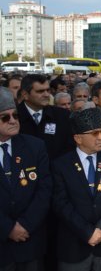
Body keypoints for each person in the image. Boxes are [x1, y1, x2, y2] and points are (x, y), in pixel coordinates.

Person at [51, 108, 101, 271]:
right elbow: (61, 203)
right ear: (78, 138)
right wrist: (87, 232)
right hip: (73, 245)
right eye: (94, 133)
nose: (100, 137)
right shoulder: (61, 165)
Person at [0, 87, 52, 271]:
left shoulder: (35, 146)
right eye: (5, 117)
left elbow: (44, 190)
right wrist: (8, 228)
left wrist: (25, 225)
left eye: (15, 115)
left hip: (30, 241)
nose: (13, 121)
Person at [17, 74, 74, 160]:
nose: (46, 94)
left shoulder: (63, 115)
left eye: (48, 90)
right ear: (25, 94)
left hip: (55, 171)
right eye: (40, 91)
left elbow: (70, 147)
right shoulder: (12, 117)